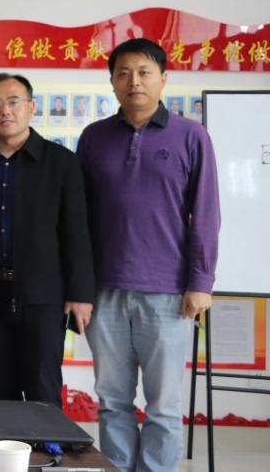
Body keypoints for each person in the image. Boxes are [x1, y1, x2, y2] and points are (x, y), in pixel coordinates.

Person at [78, 38, 219, 472]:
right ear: (112, 82)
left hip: (168, 292)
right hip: (104, 291)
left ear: (163, 78)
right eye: (123, 73)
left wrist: (201, 282)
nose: (133, 81)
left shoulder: (191, 136)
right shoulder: (94, 137)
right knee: (112, 399)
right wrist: (78, 286)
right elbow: (78, 217)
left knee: (163, 405)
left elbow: (206, 213)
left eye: (143, 72)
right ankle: (118, 467)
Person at [0, 73, 94, 408]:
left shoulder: (61, 162)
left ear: (31, 107)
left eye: (14, 102)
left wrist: (80, 294)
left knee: (43, 388)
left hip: (43, 296)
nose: (5, 111)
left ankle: (49, 443)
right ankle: (8, 444)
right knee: (1, 390)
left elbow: (77, 232)